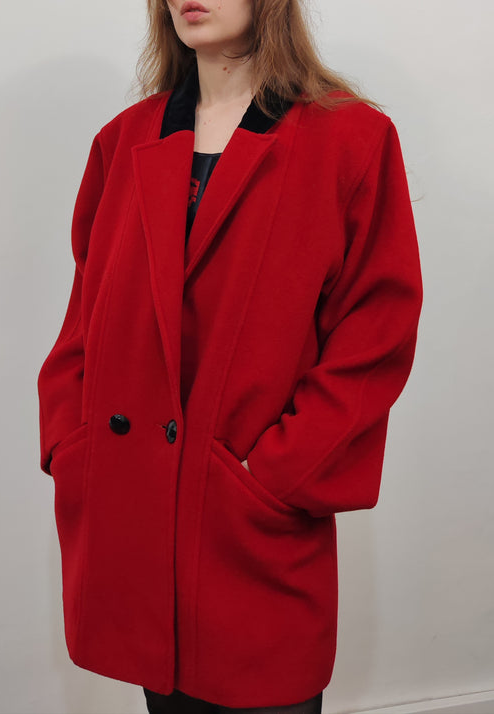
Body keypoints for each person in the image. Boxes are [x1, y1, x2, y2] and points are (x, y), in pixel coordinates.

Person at [36, 0, 423, 711]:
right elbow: (83, 318)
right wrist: (70, 444)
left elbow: (376, 333)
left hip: (249, 526)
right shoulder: (123, 140)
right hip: (133, 518)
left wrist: (275, 474)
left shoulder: (349, 138)